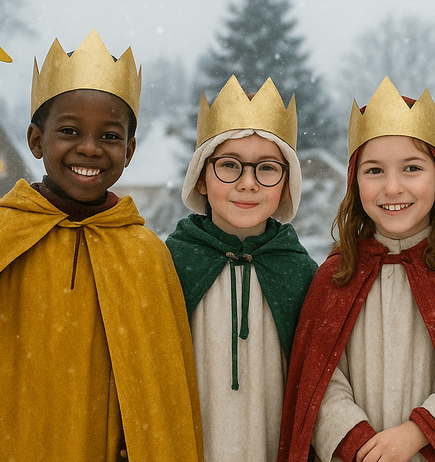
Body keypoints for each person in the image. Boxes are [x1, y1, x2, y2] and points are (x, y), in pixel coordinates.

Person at [0, 30, 203, 461]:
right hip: (6, 447)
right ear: (35, 140)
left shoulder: (145, 254)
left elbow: (160, 393)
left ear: (130, 150)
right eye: (69, 130)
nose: (89, 148)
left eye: (109, 136)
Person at [278, 77, 435, 462]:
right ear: (355, 183)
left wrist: (418, 433)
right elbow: (319, 380)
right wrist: (355, 440)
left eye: (411, 168)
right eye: (374, 171)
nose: (393, 188)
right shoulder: (336, 277)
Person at [165, 75, 318, 460]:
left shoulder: (301, 273)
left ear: (286, 183)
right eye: (229, 165)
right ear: (201, 178)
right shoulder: (170, 264)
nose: (248, 183)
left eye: (267, 168)